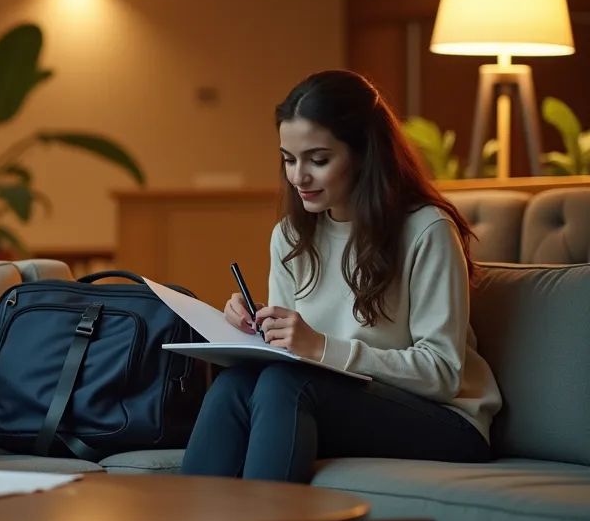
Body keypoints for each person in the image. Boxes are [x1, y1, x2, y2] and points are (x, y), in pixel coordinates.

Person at [179, 69, 503, 484]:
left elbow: (441, 374)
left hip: (447, 421)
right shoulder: (291, 236)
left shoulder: (426, 229)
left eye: (318, 160)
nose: (299, 177)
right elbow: (287, 357)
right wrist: (257, 329)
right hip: (339, 400)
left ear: (365, 153)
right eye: (289, 160)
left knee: (286, 385)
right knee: (236, 383)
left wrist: (320, 347)